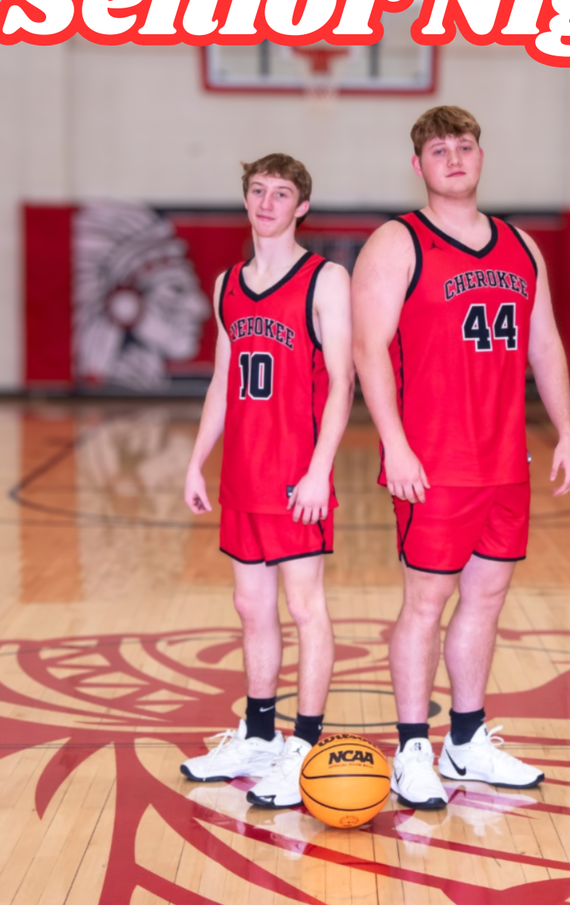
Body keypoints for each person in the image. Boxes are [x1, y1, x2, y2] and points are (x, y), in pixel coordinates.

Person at [352, 106, 570, 809]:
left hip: (503, 458)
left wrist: (565, 431)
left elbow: (543, 343)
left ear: (481, 157)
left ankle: (467, 742)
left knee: (485, 598)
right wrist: (393, 442)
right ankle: (413, 748)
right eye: (438, 149)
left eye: (465, 146)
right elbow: (366, 351)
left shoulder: (519, 246)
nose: (453, 157)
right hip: (434, 460)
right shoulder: (396, 242)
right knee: (425, 603)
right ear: (417, 166)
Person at [181, 154, 354, 808]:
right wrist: (198, 459)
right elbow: (223, 382)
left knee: (306, 610)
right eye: (257, 190)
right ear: (246, 198)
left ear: (301, 207)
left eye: (282, 193)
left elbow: (342, 381)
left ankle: (303, 749)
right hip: (242, 475)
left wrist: (317, 470)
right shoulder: (228, 281)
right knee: (251, 609)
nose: (267, 202)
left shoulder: (324, 278)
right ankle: (257, 738)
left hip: (295, 479)